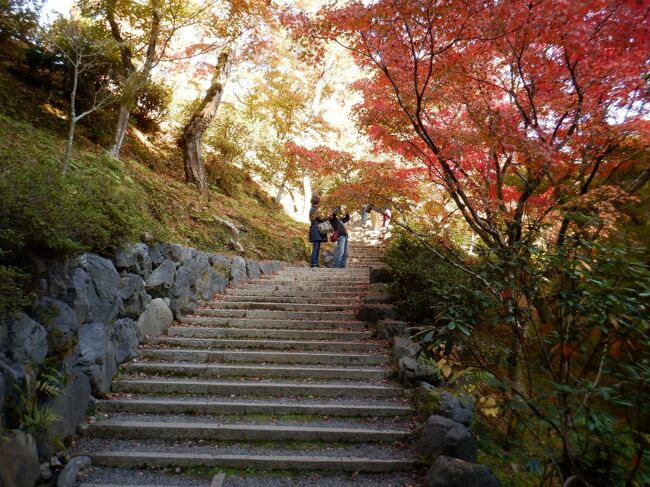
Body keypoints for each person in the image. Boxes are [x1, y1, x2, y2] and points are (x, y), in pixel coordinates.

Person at [308, 195, 327, 268]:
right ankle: (313, 263)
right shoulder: (314, 209)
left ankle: (315, 262)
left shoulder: (312, 209)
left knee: (317, 246)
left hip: (315, 230)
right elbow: (320, 219)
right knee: (316, 247)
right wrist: (327, 218)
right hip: (316, 230)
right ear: (317, 201)